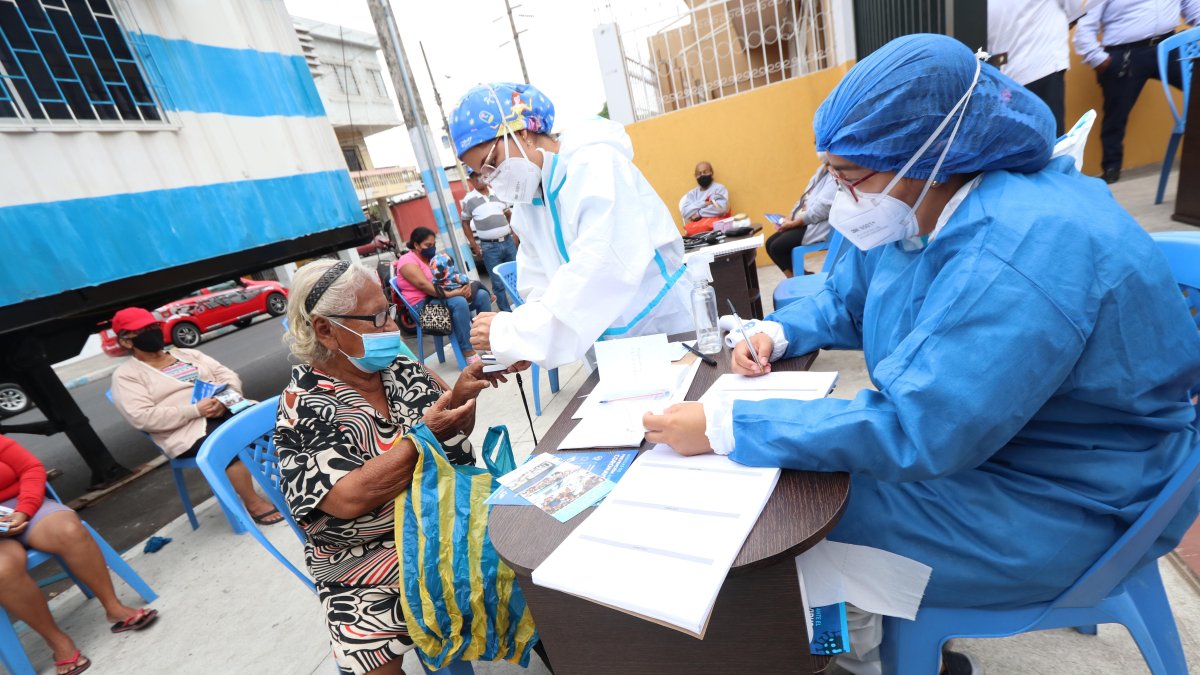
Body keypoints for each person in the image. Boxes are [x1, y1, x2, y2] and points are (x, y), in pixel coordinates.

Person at [643, 34, 1200, 675]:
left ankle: (860, 660)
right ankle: (867, 643)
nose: (840, 198)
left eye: (851, 177)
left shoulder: (1022, 246)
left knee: (800, 525)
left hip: (1075, 501)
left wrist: (725, 425)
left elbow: (917, 428)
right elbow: (854, 301)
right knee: (804, 478)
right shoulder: (924, 204)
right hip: (1005, 449)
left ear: (931, 154)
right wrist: (780, 333)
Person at [275, 259, 496, 675]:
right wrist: (421, 440)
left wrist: (465, 391)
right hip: (365, 553)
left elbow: (449, 427)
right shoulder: (305, 404)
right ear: (325, 329)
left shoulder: (397, 365)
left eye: (390, 312)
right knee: (365, 646)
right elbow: (346, 497)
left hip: (444, 514)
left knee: (526, 556)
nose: (392, 328)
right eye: (377, 318)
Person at [449, 82, 693, 369]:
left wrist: (513, 332)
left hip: (662, 329)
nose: (491, 178)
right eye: (481, 173)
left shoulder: (594, 165)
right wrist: (523, 345)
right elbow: (538, 287)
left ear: (523, 132)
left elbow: (600, 269)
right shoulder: (529, 204)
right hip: (606, 350)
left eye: (492, 162)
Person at [109, 307, 284, 526]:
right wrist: (195, 410)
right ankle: (253, 502)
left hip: (225, 407)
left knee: (274, 424)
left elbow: (226, 374)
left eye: (154, 326)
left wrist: (225, 398)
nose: (152, 332)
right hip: (186, 428)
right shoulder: (126, 376)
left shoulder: (186, 354)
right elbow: (142, 417)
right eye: (143, 330)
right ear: (126, 341)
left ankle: (291, 483)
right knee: (227, 444)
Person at [0, 434, 158, 675]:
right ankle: (57, 641)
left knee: (69, 530)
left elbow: (30, 467)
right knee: (2, 572)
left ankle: (113, 607)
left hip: (21, 504)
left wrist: (24, 509)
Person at [1073, 0, 1200, 183]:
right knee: (1116, 114)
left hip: (1170, 46)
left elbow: (1190, 4)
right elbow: (1086, 24)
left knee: (1197, 86)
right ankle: (1111, 168)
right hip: (1127, 54)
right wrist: (1097, 58)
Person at [392, 227, 493, 364]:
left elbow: (452, 275)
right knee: (459, 302)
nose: (432, 248)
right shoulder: (406, 261)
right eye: (428, 245)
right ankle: (468, 351)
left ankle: (485, 339)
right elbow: (423, 286)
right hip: (424, 308)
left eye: (433, 244)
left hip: (441, 298)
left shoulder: (434, 259)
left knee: (481, 295)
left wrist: (465, 286)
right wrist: (454, 293)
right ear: (416, 245)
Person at [987, 0, 1086, 136]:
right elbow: (1074, 10)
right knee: (1050, 144)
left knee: (1014, 144)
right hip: (1043, 68)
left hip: (1004, 79)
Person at [764, 165, 836, 277]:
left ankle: (800, 280)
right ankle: (800, 278)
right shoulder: (822, 170)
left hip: (819, 225)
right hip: (805, 222)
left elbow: (823, 209)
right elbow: (804, 199)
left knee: (778, 247)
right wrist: (790, 216)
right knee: (769, 243)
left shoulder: (836, 173)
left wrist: (796, 223)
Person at [460, 171, 517, 311]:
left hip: (508, 242)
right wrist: (474, 245)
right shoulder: (469, 199)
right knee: (498, 282)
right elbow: (465, 223)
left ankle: (524, 305)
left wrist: (515, 235)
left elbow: (509, 215)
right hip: (489, 247)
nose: (478, 178)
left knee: (517, 275)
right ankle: (506, 312)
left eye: (481, 175)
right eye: (474, 177)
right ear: (471, 180)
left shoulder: (497, 193)